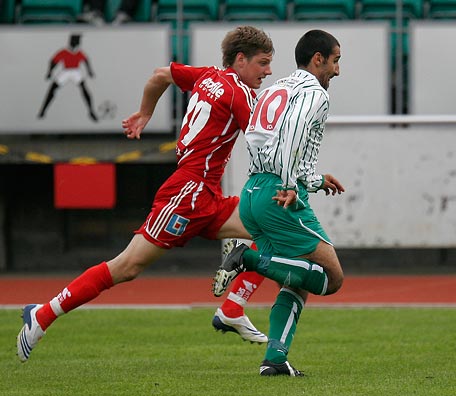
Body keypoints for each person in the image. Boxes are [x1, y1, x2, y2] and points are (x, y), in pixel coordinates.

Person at [17, 25, 274, 363]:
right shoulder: (239, 94)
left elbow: (159, 75)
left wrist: (145, 113)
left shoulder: (207, 76)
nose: (269, 71)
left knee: (273, 227)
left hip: (205, 193)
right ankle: (43, 315)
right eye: (263, 63)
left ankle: (233, 307)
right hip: (187, 194)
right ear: (241, 60)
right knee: (126, 267)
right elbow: (265, 143)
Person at [211, 29, 345, 377]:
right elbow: (295, 133)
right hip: (278, 192)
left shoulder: (274, 89)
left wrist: (313, 180)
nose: (337, 70)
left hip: (254, 191)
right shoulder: (314, 93)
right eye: (335, 61)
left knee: (297, 280)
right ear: (318, 59)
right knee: (331, 277)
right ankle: (248, 258)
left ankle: (274, 359)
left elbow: (258, 139)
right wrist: (288, 184)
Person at [38, 33, 98, 122]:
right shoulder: (64, 51)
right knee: (52, 89)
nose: (79, 42)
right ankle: (43, 110)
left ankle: (91, 111)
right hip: (66, 71)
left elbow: (86, 60)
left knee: (84, 90)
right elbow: (53, 61)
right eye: (77, 40)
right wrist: (49, 72)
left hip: (75, 71)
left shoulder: (79, 52)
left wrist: (90, 71)